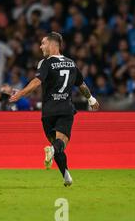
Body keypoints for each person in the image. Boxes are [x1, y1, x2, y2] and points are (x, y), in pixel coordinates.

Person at [10, 32, 100, 186]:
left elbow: (37, 82)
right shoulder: (71, 63)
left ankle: (66, 177)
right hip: (65, 109)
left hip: (48, 112)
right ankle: (52, 151)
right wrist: (91, 99)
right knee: (60, 144)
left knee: (56, 144)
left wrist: (21, 93)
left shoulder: (45, 63)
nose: (40, 46)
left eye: (43, 43)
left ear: (53, 45)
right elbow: (81, 85)